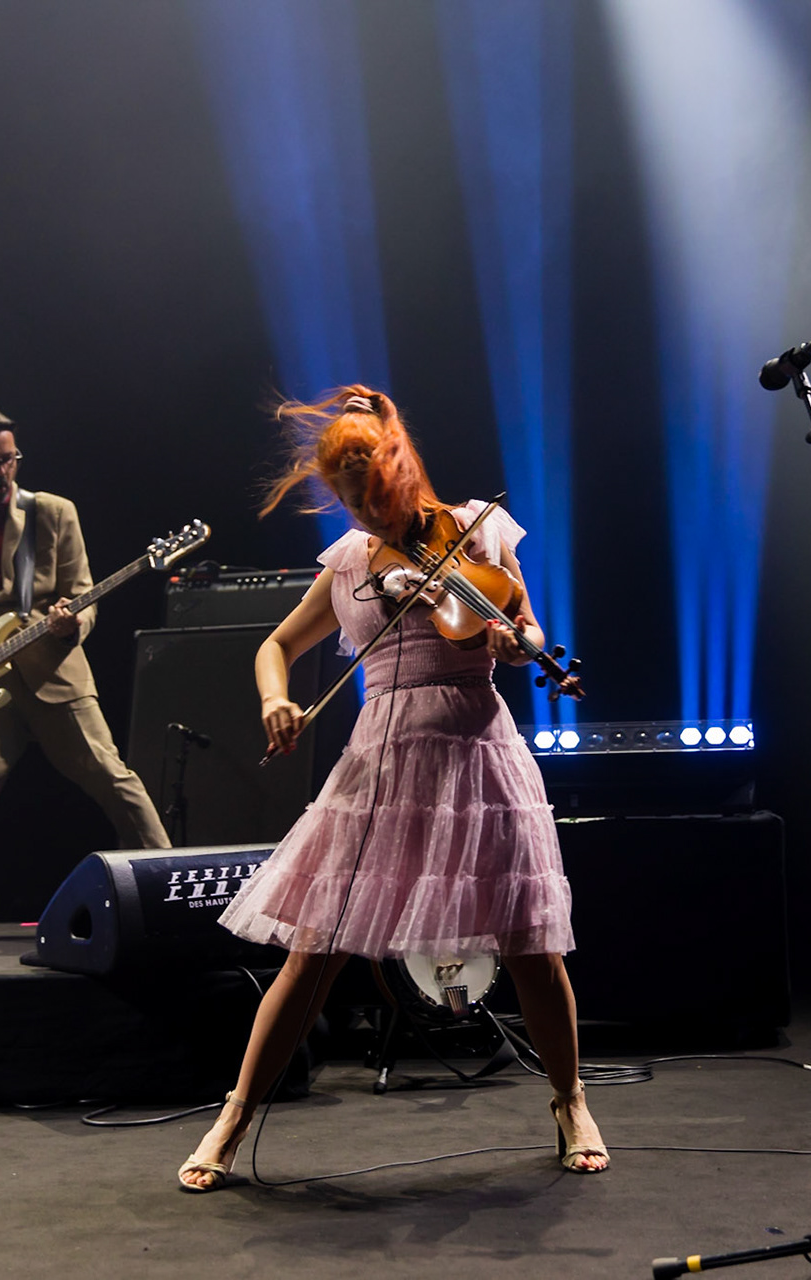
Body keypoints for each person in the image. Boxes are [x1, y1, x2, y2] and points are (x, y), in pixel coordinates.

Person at [176, 385, 608, 1191]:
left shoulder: (476, 529)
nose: (363, 518)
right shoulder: (347, 564)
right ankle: (233, 1115)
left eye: (370, 500)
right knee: (316, 950)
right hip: (382, 758)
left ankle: (570, 1100)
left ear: (400, 475)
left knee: (530, 943)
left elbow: (527, 624)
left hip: (477, 746)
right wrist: (276, 697)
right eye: (346, 503)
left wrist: (520, 647)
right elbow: (277, 644)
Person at [0, 407, 169, 940]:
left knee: (114, 779)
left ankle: (171, 883)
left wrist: (70, 626)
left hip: (52, 671)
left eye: (10, 459)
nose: (3, 471)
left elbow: (84, 592)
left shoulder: (53, 512)